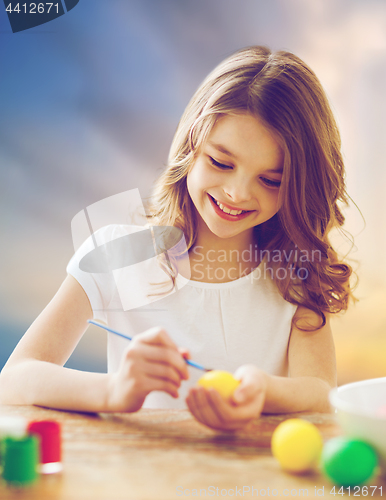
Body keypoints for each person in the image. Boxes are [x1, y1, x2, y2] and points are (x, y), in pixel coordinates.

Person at [0, 46, 356, 431]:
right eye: (221, 162)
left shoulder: (296, 275)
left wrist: (264, 392)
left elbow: (322, 393)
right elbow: (15, 379)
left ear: (298, 188)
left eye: (271, 180)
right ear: (190, 146)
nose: (237, 192)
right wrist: (113, 391)